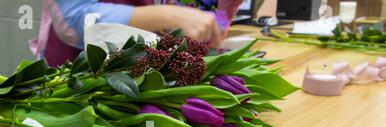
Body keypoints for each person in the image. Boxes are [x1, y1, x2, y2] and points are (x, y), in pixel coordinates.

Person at [31, 0, 243, 67]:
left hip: (145, 79)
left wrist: (218, 18)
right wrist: (168, 16)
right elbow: (73, 19)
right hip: (79, 79)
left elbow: (217, 15)